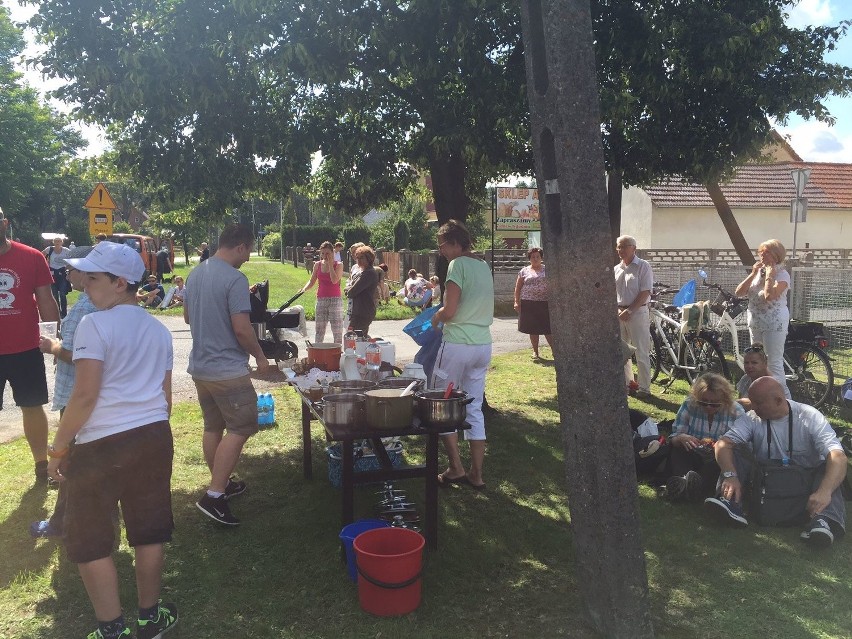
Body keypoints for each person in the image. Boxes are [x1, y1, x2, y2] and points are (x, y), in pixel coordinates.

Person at [46, 241, 178, 639]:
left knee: (91, 537)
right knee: (148, 530)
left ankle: (111, 629)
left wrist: (59, 448)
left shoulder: (94, 325)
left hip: (101, 443)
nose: (83, 284)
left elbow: (85, 396)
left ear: (120, 282)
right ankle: (149, 618)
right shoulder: (158, 329)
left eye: (93, 277)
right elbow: (166, 398)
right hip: (154, 435)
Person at [184, 224, 270, 526]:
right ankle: (215, 494)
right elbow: (241, 329)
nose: (247, 259)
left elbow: (186, 316)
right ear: (241, 247)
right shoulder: (235, 279)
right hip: (227, 371)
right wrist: (260, 357)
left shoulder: (197, 273)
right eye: (248, 252)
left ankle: (222, 483)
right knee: (242, 426)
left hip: (201, 368)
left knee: (214, 426)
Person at [704, 377, 847, 548]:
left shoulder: (810, 417)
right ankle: (731, 504)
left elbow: (838, 455)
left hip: (806, 481)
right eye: (752, 402)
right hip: (764, 479)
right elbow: (723, 444)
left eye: (758, 403)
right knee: (735, 449)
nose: (753, 408)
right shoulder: (752, 418)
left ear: (779, 400)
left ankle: (823, 521)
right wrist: (730, 474)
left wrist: (824, 491)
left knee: (830, 467)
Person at [31, 246, 100, 538]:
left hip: (76, 392)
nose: (66, 272)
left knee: (71, 463)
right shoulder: (89, 301)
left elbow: (80, 355)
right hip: (80, 391)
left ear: (87, 273)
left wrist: (52, 347)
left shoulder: (87, 306)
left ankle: (62, 523)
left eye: (72, 268)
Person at [432, 220, 494, 490]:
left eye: (442, 246)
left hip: (457, 344)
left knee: (440, 403)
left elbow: (450, 311)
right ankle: (476, 474)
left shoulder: (457, 265)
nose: (441, 251)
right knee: (474, 407)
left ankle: (456, 467)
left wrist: (435, 318)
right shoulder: (483, 266)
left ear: (455, 243)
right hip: (483, 345)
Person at [0, 207, 60, 483]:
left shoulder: (31, 257)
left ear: (5, 223)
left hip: (26, 348)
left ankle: (40, 467)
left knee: (33, 407)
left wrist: (56, 341)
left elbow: (46, 301)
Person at [663, 373, 744, 501]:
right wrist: (681, 438)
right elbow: (674, 436)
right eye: (703, 402)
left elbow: (741, 445)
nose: (708, 407)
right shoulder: (689, 405)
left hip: (717, 458)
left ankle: (690, 486)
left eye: (714, 404)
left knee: (719, 462)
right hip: (692, 453)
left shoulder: (736, 411)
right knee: (678, 450)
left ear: (725, 400)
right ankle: (685, 482)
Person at [734, 239, 790, 392]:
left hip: (774, 323)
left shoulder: (782, 275)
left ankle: (784, 401)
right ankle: (759, 397)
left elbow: (769, 296)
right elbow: (739, 292)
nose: (762, 256)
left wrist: (770, 276)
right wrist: (753, 273)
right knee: (757, 361)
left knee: (773, 363)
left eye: (766, 253)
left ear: (776, 255)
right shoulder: (759, 271)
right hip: (756, 321)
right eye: (760, 252)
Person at [614, 235, 653, 399]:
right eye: (618, 247)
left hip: (637, 313)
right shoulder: (617, 268)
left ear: (633, 248)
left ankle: (645, 388)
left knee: (641, 351)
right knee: (623, 351)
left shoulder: (643, 266)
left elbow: (645, 292)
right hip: (619, 313)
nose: (620, 250)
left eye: (624, 246)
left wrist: (629, 311)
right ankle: (628, 383)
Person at [299, 240, 344, 343]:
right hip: (321, 299)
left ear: (332, 253)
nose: (324, 255)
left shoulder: (339, 264)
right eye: (322, 253)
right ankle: (318, 350)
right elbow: (312, 280)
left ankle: (337, 352)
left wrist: (330, 265)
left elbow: (334, 280)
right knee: (319, 329)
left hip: (335, 300)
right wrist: (304, 289)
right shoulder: (317, 265)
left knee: (337, 330)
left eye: (327, 253)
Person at [513, 247, 552, 359]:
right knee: (532, 329)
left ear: (541, 258)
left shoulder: (548, 270)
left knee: (547, 329)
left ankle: (555, 351)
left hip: (544, 303)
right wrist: (516, 301)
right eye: (533, 257)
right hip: (528, 303)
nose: (535, 259)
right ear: (529, 258)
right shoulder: (524, 271)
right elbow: (518, 287)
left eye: (537, 257)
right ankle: (535, 352)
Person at [737, 342, 791, 409]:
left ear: (765, 364)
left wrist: (737, 403)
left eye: (754, 363)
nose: (749, 366)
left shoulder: (772, 383)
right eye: (746, 363)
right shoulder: (745, 379)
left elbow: (764, 407)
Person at [346, 245, 381, 334]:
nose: (359, 260)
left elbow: (351, 292)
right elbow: (350, 287)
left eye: (362, 258)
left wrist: (348, 290)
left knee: (354, 337)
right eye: (357, 258)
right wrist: (348, 289)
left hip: (363, 312)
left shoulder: (368, 273)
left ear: (369, 259)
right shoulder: (362, 272)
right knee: (358, 338)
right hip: (357, 310)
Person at [44, 236, 72, 318]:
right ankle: (58, 312)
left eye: (59, 241)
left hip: (62, 273)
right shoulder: (49, 249)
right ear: (53, 242)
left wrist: (68, 266)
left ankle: (64, 313)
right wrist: (45, 265)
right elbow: (40, 256)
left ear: (62, 242)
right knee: (54, 294)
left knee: (63, 294)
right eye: (56, 241)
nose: (57, 243)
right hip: (52, 273)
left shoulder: (66, 250)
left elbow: (73, 257)